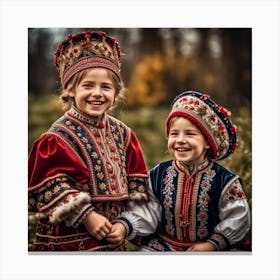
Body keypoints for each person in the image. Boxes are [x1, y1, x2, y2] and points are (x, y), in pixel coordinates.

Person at [28, 30, 158, 251]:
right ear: (70, 89)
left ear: (116, 93)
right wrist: (87, 216)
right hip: (69, 246)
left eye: (106, 87)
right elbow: (53, 185)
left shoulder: (124, 135)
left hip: (112, 242)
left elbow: (138, 190)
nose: (97, 93)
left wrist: (125, 226)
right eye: (88, 85)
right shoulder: (58, 137)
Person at [140, 91, 251, 252]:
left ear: (208, 141)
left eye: (190, 134)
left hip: (210, 247)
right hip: (165, 246)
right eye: (174, 134)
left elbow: (237, 217)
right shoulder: (157, 175)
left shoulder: (225, 180)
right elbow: (148, 211)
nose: (180, 140)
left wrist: (212, 245)